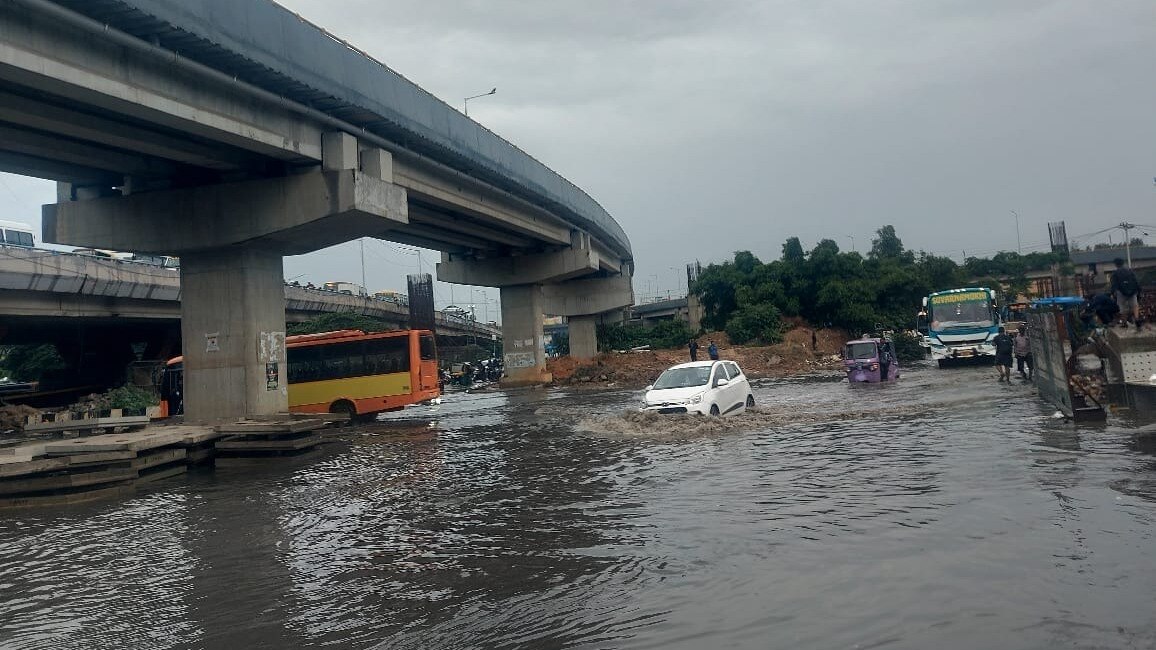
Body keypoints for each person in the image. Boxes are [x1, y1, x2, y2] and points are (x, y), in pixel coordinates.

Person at [1109, 257, 1141, 326]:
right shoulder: (1130, 271)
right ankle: (1136, 319)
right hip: (1132, 292)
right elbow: (1136, 281)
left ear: (1116, 264)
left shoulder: (1115, 273)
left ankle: (1124, 323)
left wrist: (1112, 293)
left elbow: (1114, 284)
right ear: (1123, 263)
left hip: (1121, 293)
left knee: (1122, 308)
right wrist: (1138, 290)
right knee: (1135, 305)